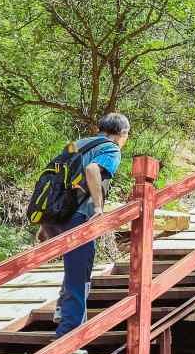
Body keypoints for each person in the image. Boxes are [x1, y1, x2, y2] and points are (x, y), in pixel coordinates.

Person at [41, 113, 129, 339]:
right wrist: (99, 207)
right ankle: (69, 335)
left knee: (73, 269)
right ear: (122, 134)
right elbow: (92, 170)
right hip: (79, 214)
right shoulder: (111, 148)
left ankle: (63, 311)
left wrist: (45, 221)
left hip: (56, 214)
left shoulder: (75, 144)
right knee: (80, 274)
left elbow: (52, 180)